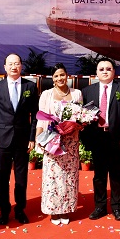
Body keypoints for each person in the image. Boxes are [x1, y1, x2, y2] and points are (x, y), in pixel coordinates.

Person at [80, 58, 120, 221]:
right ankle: (100, 207)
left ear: (114, 72)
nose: (105, 71)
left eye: (108, 69)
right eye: (101, 69)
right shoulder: (87, 91)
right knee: (99, 175)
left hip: (116, 138)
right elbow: (81, 117)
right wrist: (86, 139)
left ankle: (117, 207)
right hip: (97, 137)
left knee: (116, 174)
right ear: (96, 73)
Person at [0, 53, 39, 225]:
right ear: (5, 67)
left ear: (21, 66)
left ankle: (20, 209)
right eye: (10, 64)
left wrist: (32, 137)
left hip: (22, 139)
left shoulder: (30, 86)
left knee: (21, 178)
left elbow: (35, 115)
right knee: (3, 178)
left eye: (16, 63)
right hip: (2, 139)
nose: (13, 67)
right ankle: (4, 210)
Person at [36, 63, 83, 225]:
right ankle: (53, 211)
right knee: (53, 177)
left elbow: (81, 116)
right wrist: (39, 139)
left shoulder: (77, 94)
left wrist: (78, 125)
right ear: (53, 79)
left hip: (71, 142)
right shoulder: (46, 94)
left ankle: (66, 209)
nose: (60, 78)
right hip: (52, 141)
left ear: (67, 75)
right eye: (56, 76)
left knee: (69, 176)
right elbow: (41, 119)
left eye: (62, 74)